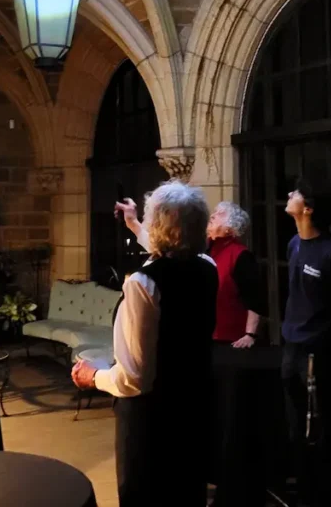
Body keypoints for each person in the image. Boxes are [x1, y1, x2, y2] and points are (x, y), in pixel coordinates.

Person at [77, 181, 219, 506]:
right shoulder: (207, 268)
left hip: (151, 423)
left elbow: (134, 379)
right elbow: (173, 253)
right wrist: (134, 224)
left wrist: (93, 377)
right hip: (192, 409)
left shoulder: (144, 284)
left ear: (159, 227)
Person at [280, 177, 331, 507]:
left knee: (327, 427)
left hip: (319, 353)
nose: (289, 194)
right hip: (292, 347)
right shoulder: (294, 245)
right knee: (298, 427)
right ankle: (308, 492)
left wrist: (328, 352)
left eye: (296, 193)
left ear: (308, 208)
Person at [116, 198, 262, 346]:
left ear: (230, 228)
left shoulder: (240, 255)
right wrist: (133, 223)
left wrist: (250, 334)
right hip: (197, 335)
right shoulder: (201, 246)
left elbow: (254, 298)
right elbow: (163, 249)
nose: (212, 215)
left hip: (228, 340)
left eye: (220, 214)